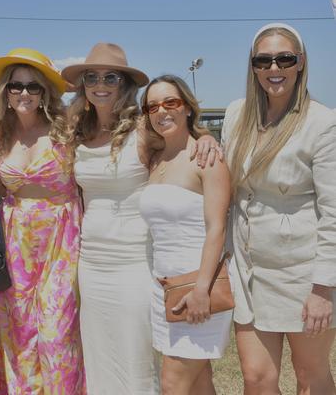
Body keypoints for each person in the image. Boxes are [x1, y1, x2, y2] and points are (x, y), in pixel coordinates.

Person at [62, 42, 220, 394]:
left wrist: (207, 137)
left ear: (125, 84)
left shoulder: (144, 128)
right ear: (83, 86)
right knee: (98, 354)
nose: (100, 83)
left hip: (134, 261)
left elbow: (183, 134)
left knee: (136, 357)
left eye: (110, 76)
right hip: (91, 263)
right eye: (92, 76)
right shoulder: (76, 133)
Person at [222, 23, 336, 394]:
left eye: (284, 59)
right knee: (256, 377)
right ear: (252, 67)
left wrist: (323, 288)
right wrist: (203, 147)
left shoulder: (322, 122)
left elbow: (333, 212)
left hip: (302, 274)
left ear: (300, 63)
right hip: (248, 268)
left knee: (310, 376)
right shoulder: (235, 115)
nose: (274, 69)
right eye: (264, 60)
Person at [0, 48, 85, 394]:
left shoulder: (68, 130)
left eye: (33, 87)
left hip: (63, 240)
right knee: (19, 335)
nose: (24, 93)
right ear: (5, 93)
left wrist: (204, 135)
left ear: (45, 93)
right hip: (16, 245)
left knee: (58, 335)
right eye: (16, 86)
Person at [139, 75, 232, 394]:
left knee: (173, 383)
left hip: (197, 287)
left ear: (188, 108)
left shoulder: (206, 158)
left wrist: (202, 289)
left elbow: (217, 228)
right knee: (199, 383)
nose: (162, 111)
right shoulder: (154, 158)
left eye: (171, 102)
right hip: (163, 288)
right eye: (153, 106)